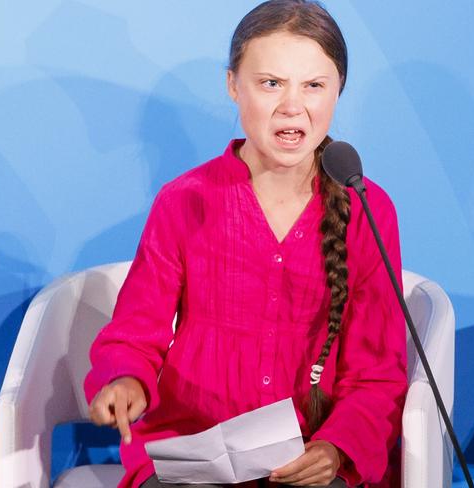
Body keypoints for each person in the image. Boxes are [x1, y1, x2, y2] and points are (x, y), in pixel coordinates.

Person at [84, 1, 407, 487]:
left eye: (314, 85)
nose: (292, 105)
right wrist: (125, 379)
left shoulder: (367, 206)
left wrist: (336, 448)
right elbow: (135, 331)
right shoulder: (183, 201)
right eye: (271, 83)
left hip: (310, 459)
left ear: (338, 90)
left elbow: (378, 370)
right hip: (196, 451)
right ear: (234, 85)